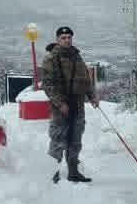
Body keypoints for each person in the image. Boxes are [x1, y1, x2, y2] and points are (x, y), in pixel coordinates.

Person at [41, 26, 99, 183]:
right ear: (57, 39)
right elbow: (48, 85)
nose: (67, 40)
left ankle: (73, 172)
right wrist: (60, 103)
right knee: (58, 141)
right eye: (63, 37)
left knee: (75, 141)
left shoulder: (76, 56)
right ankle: (52, 174)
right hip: (61, 107)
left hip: (77, 105)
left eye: (69, 37)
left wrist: (92, 96)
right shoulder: (51, 58)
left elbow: (85, 80)